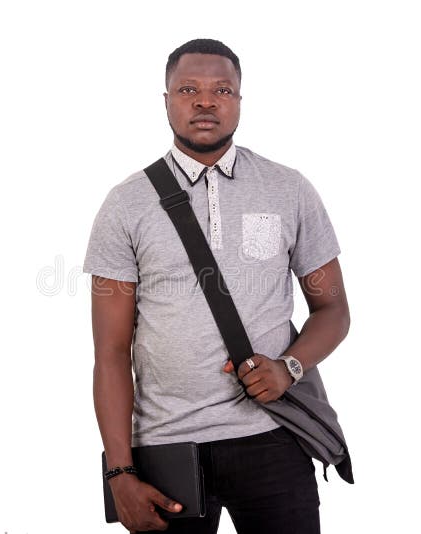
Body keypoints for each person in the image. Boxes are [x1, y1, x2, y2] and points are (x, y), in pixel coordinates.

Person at [83, 38, 351, 534]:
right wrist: (119, 473)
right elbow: (111, 352)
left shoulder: (288, 188)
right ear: (166, 100)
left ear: (239, 100)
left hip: (273, 436)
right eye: (189, 89)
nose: (205, 102)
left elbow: (333, 310)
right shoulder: (125, 205)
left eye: (221, 90)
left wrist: (289, 367)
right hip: (165, 447)